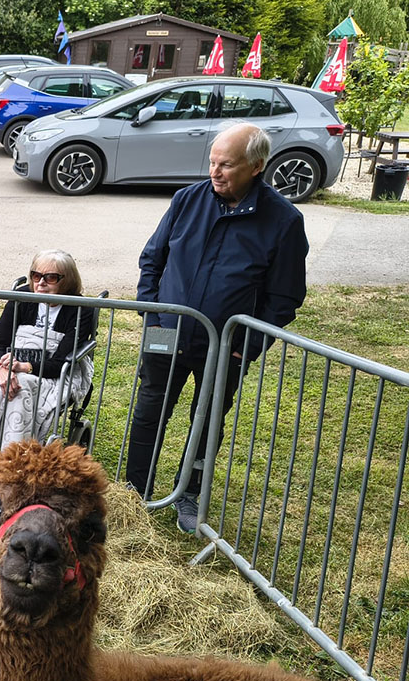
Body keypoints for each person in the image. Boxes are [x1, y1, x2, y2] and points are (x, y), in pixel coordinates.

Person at [125, 122, 308, 531]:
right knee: (149, 409)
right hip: (166, 332)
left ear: (256, 166)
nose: (215, 171)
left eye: (227, 165)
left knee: (207, 419)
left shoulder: (283, 220)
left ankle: (187, 495)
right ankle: (133, 491)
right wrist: (151, 311)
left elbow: (284, 298)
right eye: (212, 162)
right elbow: (152, 259)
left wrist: (247, 345)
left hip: (226, 346)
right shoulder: (187, 200)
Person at [0, 250, 94, 479]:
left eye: (50, 277)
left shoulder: (81, 309)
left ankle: (15, 462)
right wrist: (3, 370)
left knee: (21, 389)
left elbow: (60, 361)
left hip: (47, 369)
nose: (40, 282)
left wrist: (24, 367)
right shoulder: (22, 297)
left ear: (67, 280)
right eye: (35, 275)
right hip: (8, 360)